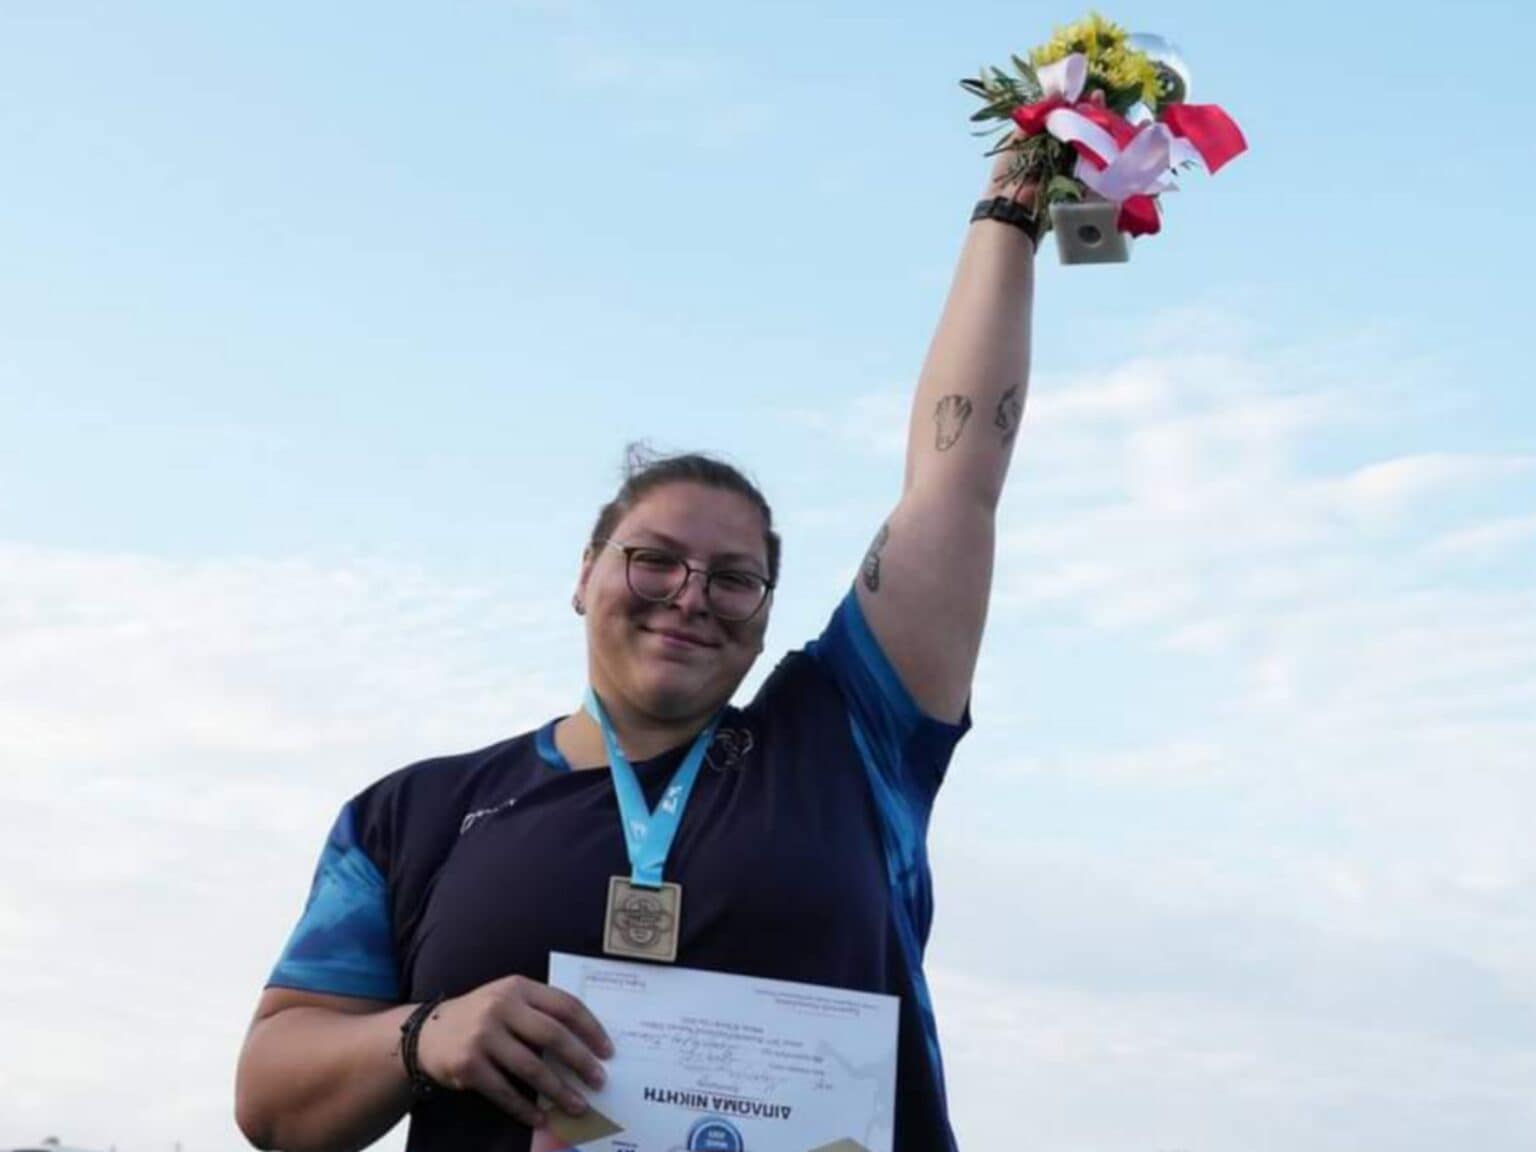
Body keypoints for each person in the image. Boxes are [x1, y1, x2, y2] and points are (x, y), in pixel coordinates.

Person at [235, 145, 1039, 1152]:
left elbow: (955, 480)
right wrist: (425, 1035)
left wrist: (1009, 213)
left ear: (765, 611)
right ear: (585, 574)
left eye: (734, 578)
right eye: (654, 560)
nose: (690, 597)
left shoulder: (849, 746)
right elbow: (271, 1099)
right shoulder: (415, 816)